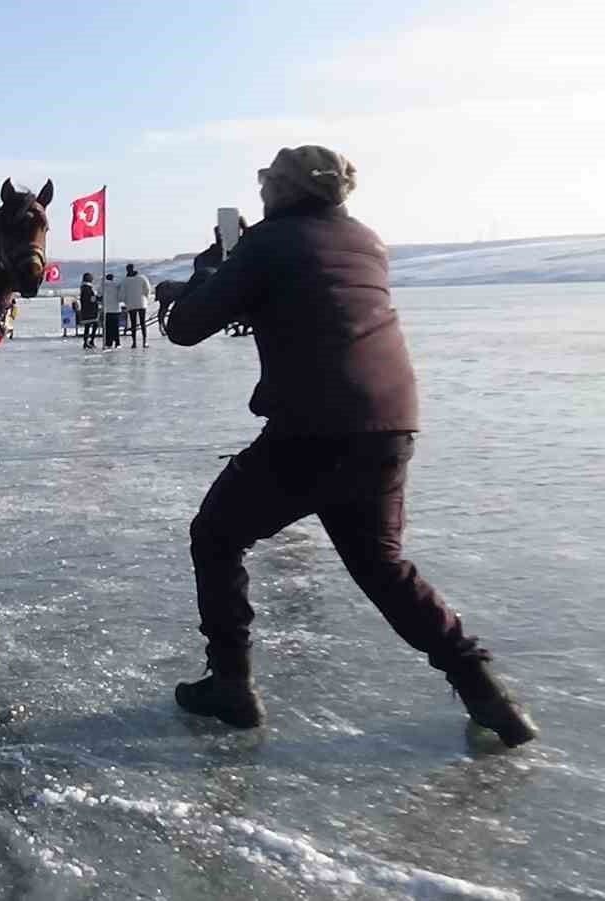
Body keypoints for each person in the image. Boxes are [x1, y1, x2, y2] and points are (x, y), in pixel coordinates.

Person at [165, 146, 537, 747]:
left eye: (267, 186)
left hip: (312, 429)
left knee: (216, 534)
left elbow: (185, 328)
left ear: (282, 191)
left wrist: (212, 267)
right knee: (383, 567)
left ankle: (230, 681)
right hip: (389, 423)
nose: (261, 195)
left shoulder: (270, 241)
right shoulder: (367, 240)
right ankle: (487, 693)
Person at [120, 262, 152, 348]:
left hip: (131, 304)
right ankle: (145, 341)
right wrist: (146, 298)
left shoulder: (125, 280)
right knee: (142, 323)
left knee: (133, 323)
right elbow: (148, 289)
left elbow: (122, 294)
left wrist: (124, 300)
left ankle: (134, 342)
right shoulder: (142, 278)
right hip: (141, 303)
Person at [101, 272, 123, 349]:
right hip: (116, 309)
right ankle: (117, 342)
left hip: (106, 310)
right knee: (115, 328)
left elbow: (99, 294)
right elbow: (120, 297)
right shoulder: (117, 286)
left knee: (108, 328)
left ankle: (108, 342)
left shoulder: (103, 286)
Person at [78, 273, 99, 348]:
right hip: (91, 310)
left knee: (87, 326)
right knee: (94, 324)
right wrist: (97, 298)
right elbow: (91, 298)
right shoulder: (88, 288)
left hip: (85, 310)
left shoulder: (83, 287)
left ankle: (86, 341)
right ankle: (90, 341)